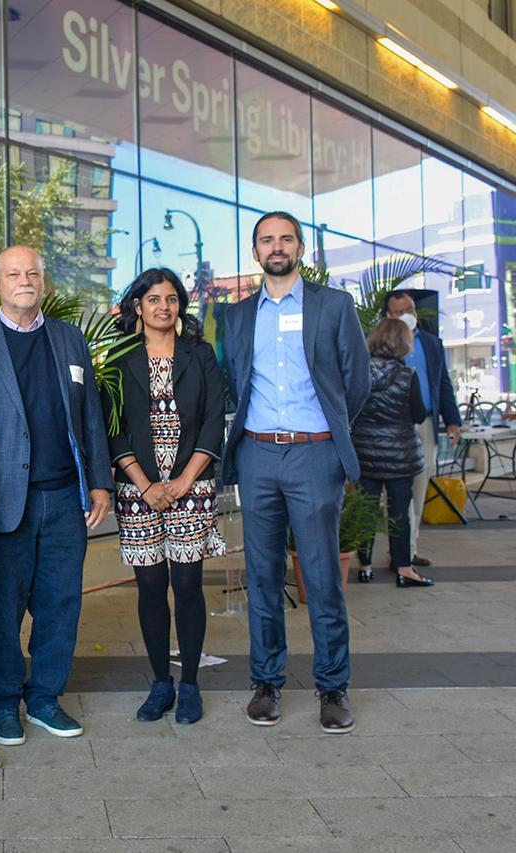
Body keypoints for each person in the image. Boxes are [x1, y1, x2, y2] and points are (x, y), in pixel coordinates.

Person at [222, 211, 369, 734]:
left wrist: (328, 437)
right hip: (257, 456)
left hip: (314, 455)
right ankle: (266, 683)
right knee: (262, 577)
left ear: (300, 248)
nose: (276, 246)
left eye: (286, 238)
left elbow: (356, 381)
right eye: (267, 240)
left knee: (322, 577)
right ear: (255, 253)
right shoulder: (236, 317)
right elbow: (232, 382)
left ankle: (333, 689)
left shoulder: (333, 306)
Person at [0, 245, 111, 746]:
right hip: (4, 502)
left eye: (32, 272)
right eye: (13, 273)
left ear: (43, 284)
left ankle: (46, 697)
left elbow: (90, 413)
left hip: (63, 500)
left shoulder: (69, 339)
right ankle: (4, 703)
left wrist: (99, 481)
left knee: (60, 603)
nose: (24, 279)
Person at [109, 268, 226, 726]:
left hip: (191, 486)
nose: (164, 306)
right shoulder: (119, 357)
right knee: (151, 588)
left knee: (188, 586)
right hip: (138, 489)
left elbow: (215, 418)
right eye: (154, 299)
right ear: (137, 306)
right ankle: (161, 682)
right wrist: (145, 483)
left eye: (172, 298)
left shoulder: (200, 355)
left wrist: (181, 482)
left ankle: (191, 683)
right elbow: (111, 426)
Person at [352, 318, 432, 587]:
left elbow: (351, 410)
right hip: (400, 456)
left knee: (365, 511)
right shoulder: (408, 375)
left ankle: (364, 566)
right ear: (403, 343)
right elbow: (419, 415)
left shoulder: (359, 373)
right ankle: (403, 568)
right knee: (399, 512)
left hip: (365, 454)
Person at [383, 291, 461, 567]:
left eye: (411, 309)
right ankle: (397, 550)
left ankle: (408, 550)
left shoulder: (431, 343)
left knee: (419, 488)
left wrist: (452, 420)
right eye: (400, 310)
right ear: (388, 316)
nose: (408, 315)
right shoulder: (382, 345)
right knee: (395, 492)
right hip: (393, 428)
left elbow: (442, 383)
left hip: (426, 423)